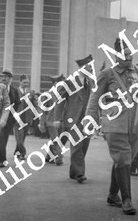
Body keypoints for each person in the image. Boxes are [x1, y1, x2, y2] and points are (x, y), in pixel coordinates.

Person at [85, 39, 138, 215]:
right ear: (116, 56)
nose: (128, 57)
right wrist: (90, 118)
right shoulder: (107, 74)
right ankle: (127, 199)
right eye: (125, 55)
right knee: (124, 159)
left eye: (131, 54)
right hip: (115, 124)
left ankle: (113, 194)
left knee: (124, 160)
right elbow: (95, 97)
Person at [54, 55, 94, 183]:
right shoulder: (69, 82)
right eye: (89, 67)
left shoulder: (90, 82)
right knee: (77, 145)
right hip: (73, 119)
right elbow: (60, 101)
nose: (91, 69)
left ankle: (74, 171)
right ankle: (79, 174)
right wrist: (57, 118)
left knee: (84, 146)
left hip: (87, 121)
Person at [0, 69, 22, 167]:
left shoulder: (14, 90)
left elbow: (18, 103)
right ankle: (2, 160)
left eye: (6, 77)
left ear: (11, 78)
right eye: (2, 77)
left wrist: (15, 115)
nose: (4, 78)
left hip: (10, 119)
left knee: (4, 139)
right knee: (1, 137)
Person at [39, 74, 65, 166]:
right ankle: (59, 158)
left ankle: (49, 156)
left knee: (55, 139)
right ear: (54, 83)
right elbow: (43, 111)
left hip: (61, 122)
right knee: (56, 140)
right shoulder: (47, 95)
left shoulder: (63, 94)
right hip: (50, 122)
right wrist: (42, 124)